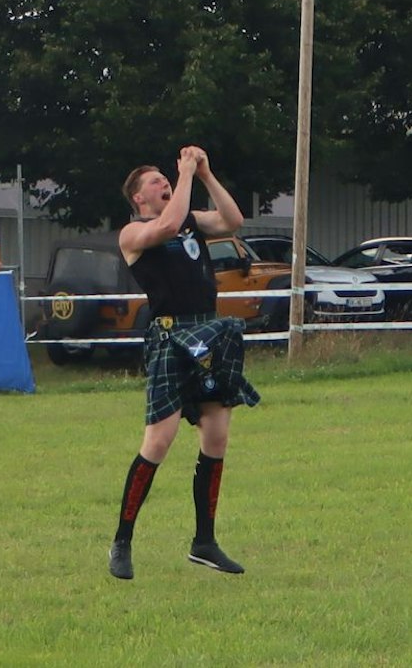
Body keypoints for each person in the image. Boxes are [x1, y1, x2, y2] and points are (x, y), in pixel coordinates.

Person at [105, 147, 258, 580]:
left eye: (164, 179)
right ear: (138, 197)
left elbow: (232, 221)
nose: (164, 183)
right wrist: (186, 172)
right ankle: (122, 541)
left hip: (207, 332)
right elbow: (169, 223)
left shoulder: (191, 218)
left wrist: (206, 174)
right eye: (154, 181)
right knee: (159, 442)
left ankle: (204, 542)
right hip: (171, 337)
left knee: (217, 436)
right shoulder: (133, 233)